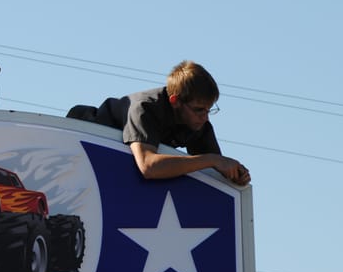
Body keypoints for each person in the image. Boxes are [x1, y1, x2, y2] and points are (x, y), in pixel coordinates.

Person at [66, 61, 251, 185]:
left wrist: (234, 175)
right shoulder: (144, 108)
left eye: (209, 110)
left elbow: (215, 174)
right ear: (175, 101)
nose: (205, 117)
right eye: (199, 109)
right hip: (81, 144)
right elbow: (148, 166)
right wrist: (213, 160)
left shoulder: (198, 123)